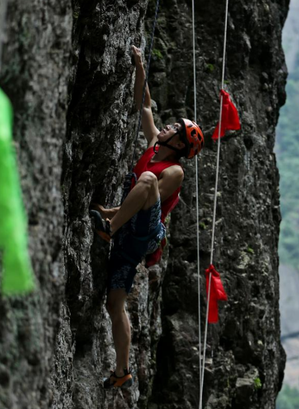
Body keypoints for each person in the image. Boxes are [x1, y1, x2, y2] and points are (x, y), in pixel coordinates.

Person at [90, 45, 204, 389]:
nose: (167, 126)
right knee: (114, 303)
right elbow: (145, 104)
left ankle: (108, 226)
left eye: (175, 128)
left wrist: (111, 218)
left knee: (149, 179)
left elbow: (149, 194)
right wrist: (140, 64)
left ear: (180, 143)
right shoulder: (155, 142)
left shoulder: (175, 171)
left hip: (142, 230)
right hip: (128, 236)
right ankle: (122, 370)